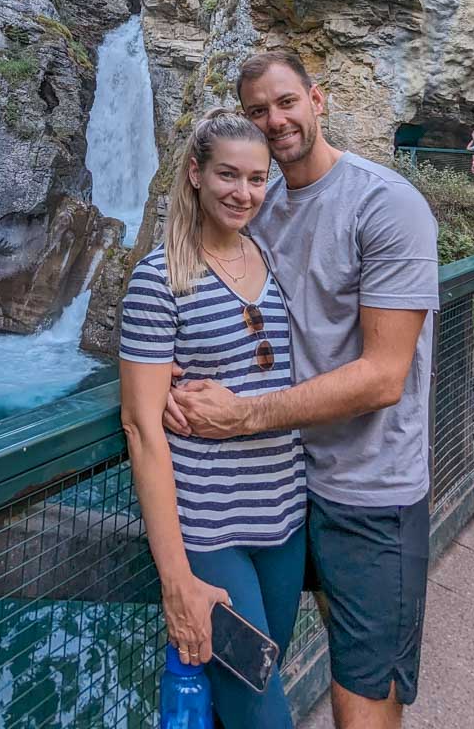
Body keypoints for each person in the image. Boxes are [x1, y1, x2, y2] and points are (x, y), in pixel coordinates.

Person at [164, 50, 439, 729]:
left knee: (362, 691)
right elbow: (200, 296)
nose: (275, 119)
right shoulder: (257, 203)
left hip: (370, 492)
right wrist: (166, 372)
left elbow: (384, 376)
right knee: (250, 673)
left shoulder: (387, 204)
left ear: (317, 100)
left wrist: (241, 416)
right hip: (278, 489)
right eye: (257, 110)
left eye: (286, 102)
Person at [120, 110, 306, 729]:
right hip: (209, 530)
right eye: (228, 175)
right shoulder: (159, 279)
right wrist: (176, 578)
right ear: (195, 174)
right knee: (262, 713)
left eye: (257, 179)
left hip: (284, 519)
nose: (243, 192)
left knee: (241, 704)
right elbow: (143, 430)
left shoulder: (273, 260)